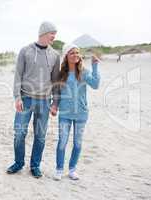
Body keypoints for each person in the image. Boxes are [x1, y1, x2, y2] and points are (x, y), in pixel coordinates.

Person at [6, 21, 60, 178]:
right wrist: (17, 97)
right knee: (19, 133)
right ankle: (18, 162)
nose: (54, 37)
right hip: (26, 99)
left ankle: (35, 166)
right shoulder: (25, 51)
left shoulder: (55, 55)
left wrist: (55, 103)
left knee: (40, 136)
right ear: (43, 32)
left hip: (44, 101)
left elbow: (56, 81)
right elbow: (18, 76)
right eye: (52, 34)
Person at [53, 44, 100, 181]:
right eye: (72, 53)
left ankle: (72, 169)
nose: (75, 55)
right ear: (66, 56)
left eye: (77, 52)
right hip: (65, 114)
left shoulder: (84, 72)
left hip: (81, 113)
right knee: (62, 141)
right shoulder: (61, 74)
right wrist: (54, 105)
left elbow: (96, 85)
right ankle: (59, 169)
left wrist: (95, 66)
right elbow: (56, 93)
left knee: (78, 143)